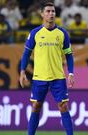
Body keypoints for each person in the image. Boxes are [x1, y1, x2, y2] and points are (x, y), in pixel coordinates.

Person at [19, 2, 74, 135]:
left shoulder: (62, 33)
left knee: (63, 106)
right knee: (36, 106)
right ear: (42, 14)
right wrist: (22, 72)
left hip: (58, 77)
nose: (51, 14)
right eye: (48, 11)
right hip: (39, 77)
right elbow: (26, 53)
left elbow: (69, 55)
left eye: (53, 11)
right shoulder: (35, 33)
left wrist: (71, 73)